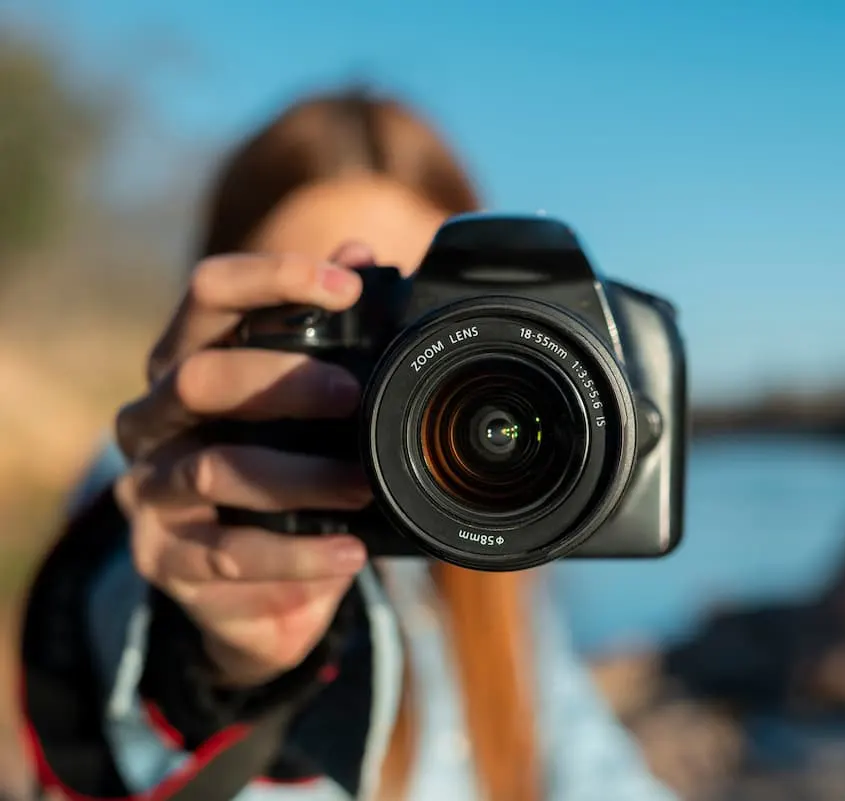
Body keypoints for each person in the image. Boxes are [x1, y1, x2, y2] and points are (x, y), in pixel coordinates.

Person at [20, 91, 676, 801]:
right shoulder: (170, 488)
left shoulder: (508, 545)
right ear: (216, 333)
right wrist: (217, 665)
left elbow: (588, 762)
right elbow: (115, 616)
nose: (404, 379)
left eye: (423, 314)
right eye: (344, 321)